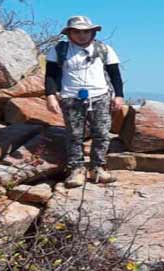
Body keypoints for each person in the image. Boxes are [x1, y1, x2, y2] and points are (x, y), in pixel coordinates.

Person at [44, 16, 125, 188]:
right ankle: (76, 169)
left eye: (85, 31)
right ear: (69, 33)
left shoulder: (104, 49)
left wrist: (119, 95)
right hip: (71, 97)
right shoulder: (59, 50)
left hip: (100, 96)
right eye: (76, 31)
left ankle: (98, 167)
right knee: (74, 135)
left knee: (102, 134)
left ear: (92, 32)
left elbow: (115, 74)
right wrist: (50, 95)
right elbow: (50, 75)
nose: (81, 35)